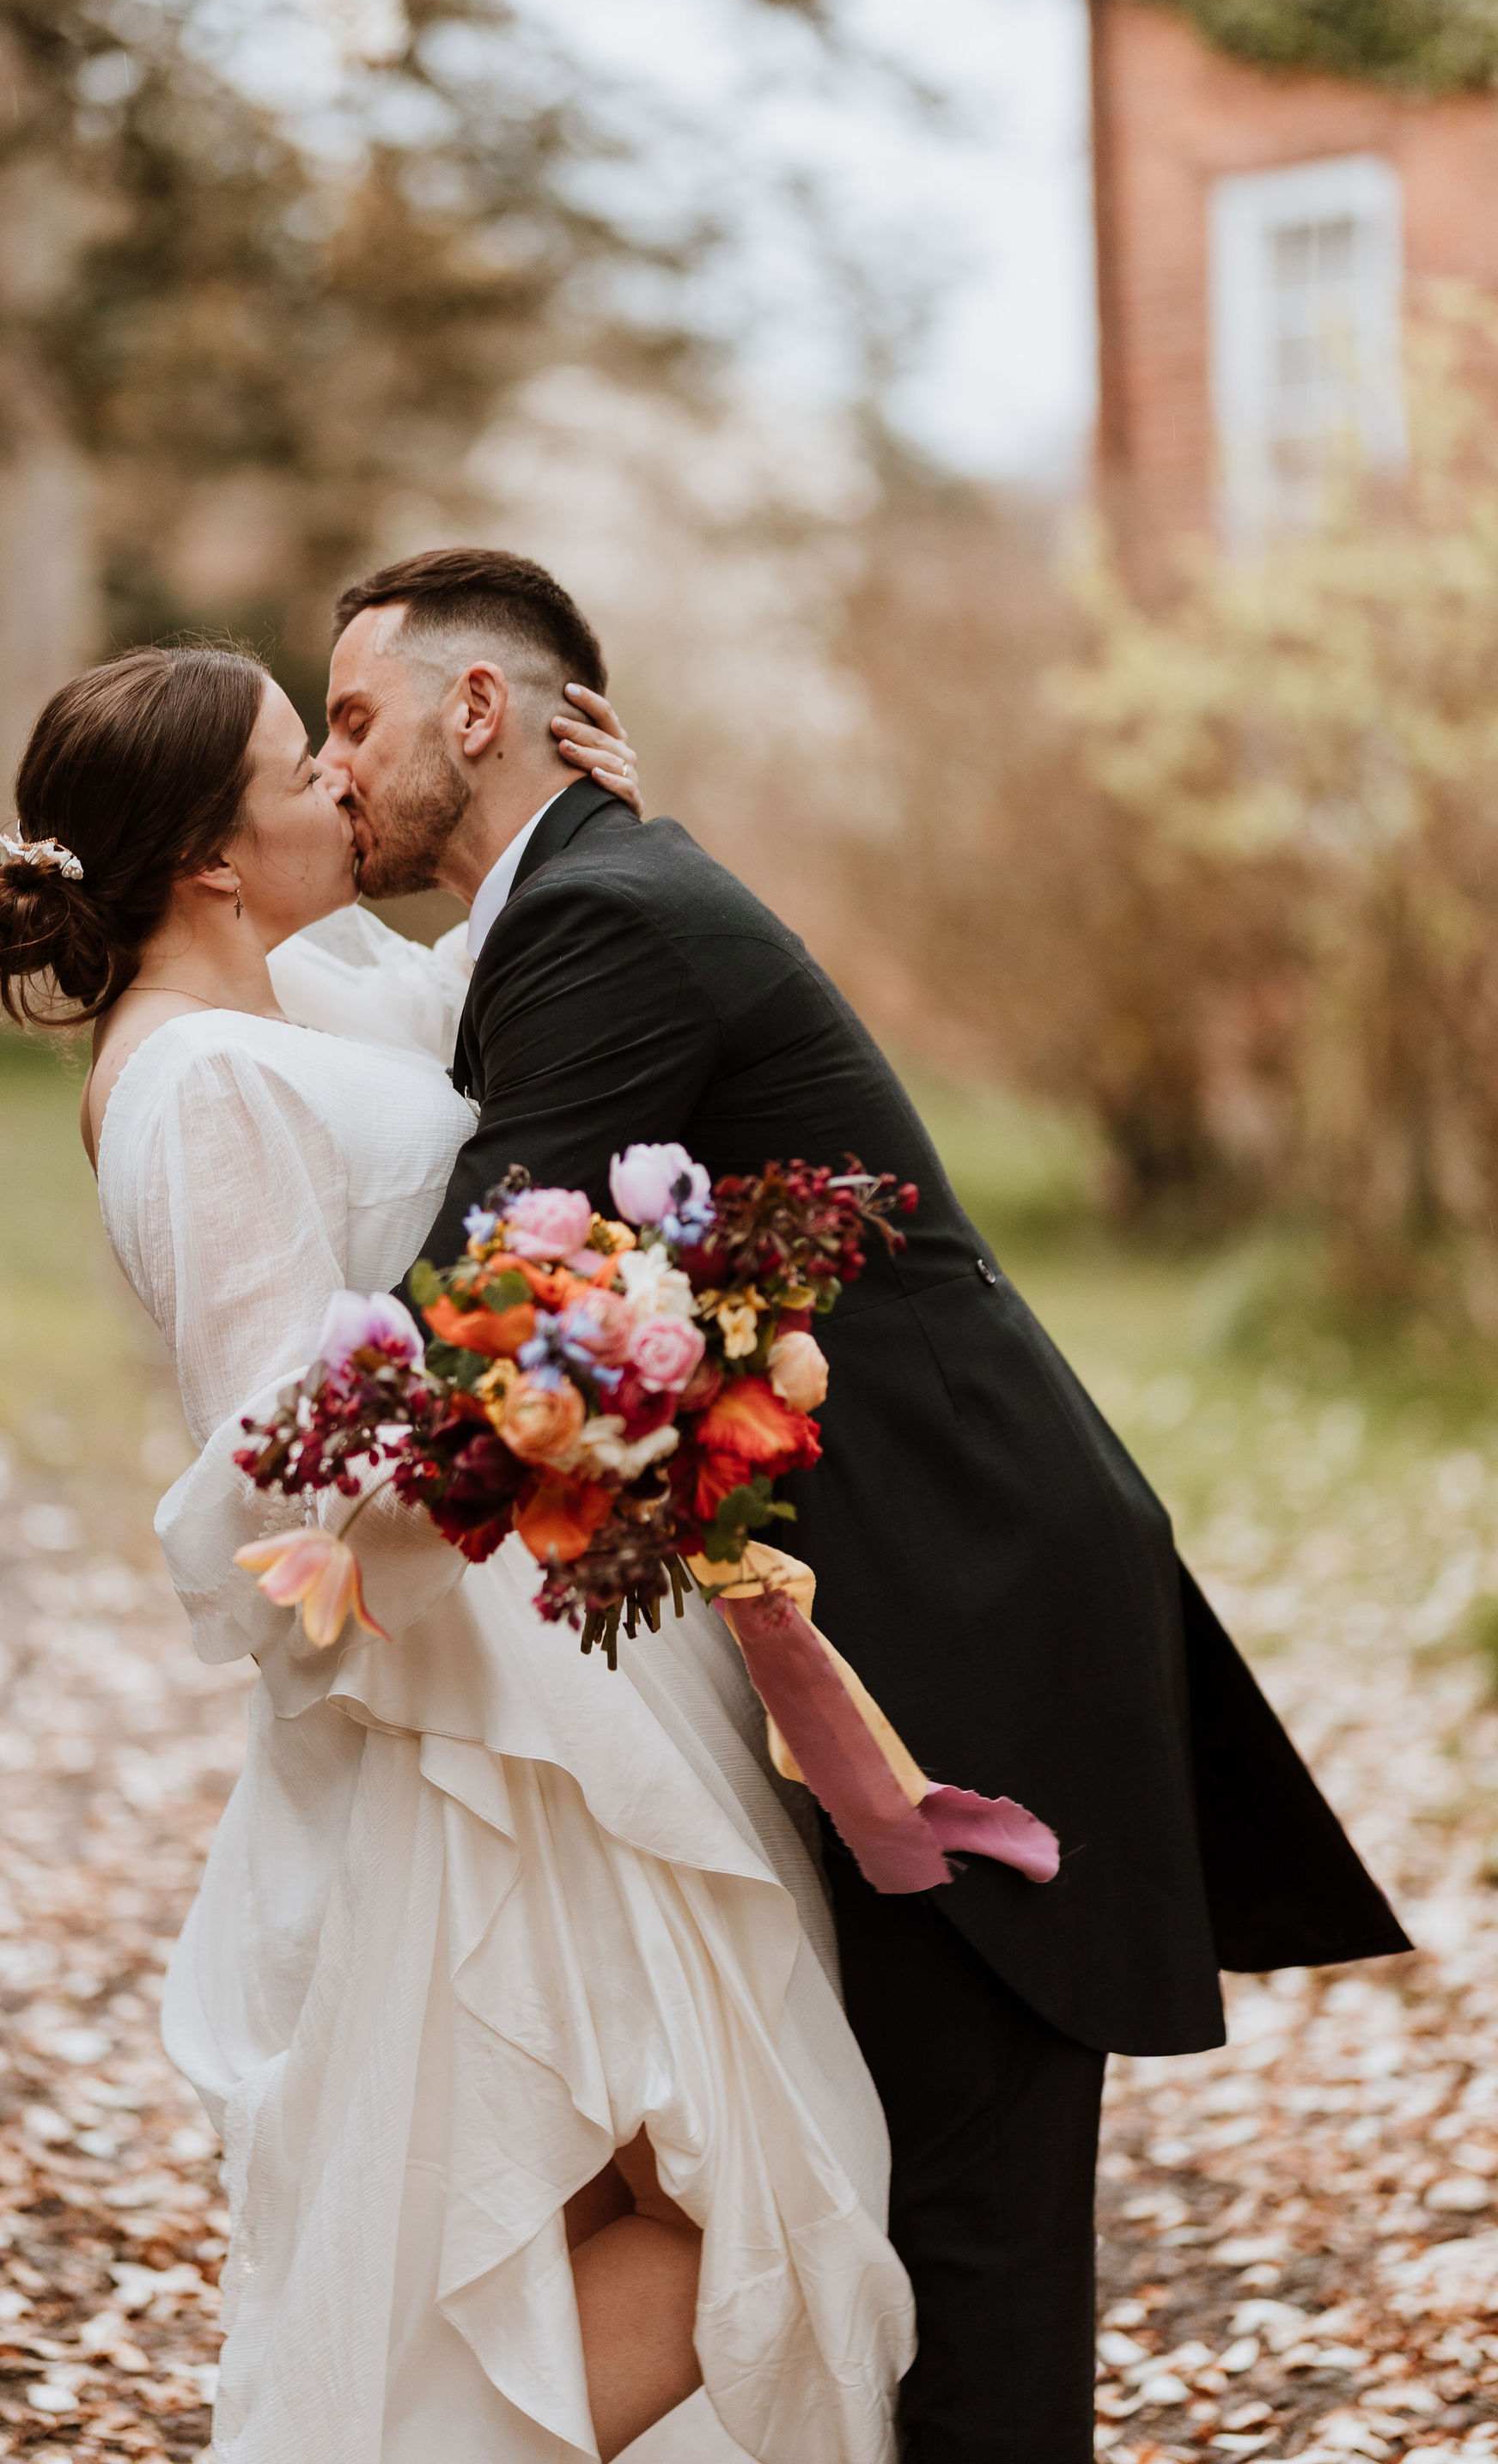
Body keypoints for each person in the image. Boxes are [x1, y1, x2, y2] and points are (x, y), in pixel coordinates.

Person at [320, 545, 1414, 2464]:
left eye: (352, 719)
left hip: (957, 1602)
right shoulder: (596, 897)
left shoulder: (606, 912)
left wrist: (272, 1445)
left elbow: (476, 1291)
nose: (335, 770)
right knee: (919, 2187)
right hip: (890, 1586)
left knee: (966, 2213)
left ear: (477, 710)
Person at [0, 639, 916, 2464]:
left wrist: (590, 822)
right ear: (212, 861)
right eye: (298, 762)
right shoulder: (193, 1082)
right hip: (478, 1717)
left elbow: (493, 1008)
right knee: (732, 2210)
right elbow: (284, 1456)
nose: (341, 775)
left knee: (627, 2200)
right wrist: (566, 1386)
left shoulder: (304, 984)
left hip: (548, 1672)